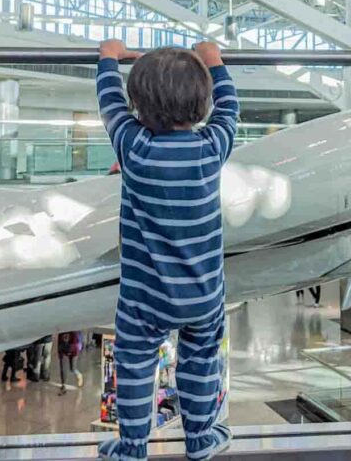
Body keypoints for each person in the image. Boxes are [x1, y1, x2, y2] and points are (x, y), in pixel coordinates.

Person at [95, 39, 237, 461]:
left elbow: (109, 104)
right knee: (201, 362)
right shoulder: (212, 149)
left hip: (145, 297)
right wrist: (213, 59)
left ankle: (134, 448)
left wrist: (108, 58)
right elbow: (231, 106)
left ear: (138, 105)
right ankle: (200, 441)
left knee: (136, 365)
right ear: (203, 103)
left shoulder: (134, 149)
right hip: (203, 294)